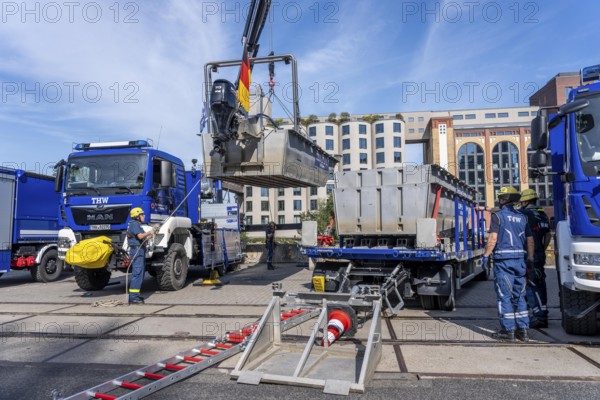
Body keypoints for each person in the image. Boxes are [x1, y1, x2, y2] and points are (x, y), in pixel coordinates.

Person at [481, 187, 534, 342]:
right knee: (520, 295)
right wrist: (530, 259)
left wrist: (485, 255)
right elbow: (530, 241)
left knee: (505, 295)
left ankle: (508, 331)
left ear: (503, 199)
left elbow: (493, 238)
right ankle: (523, 331)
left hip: (504, 262)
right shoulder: (523, 218)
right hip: (520, 262)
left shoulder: (498, 216)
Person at [519, 189, 552, 329]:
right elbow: (548, 235)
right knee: (540, 284)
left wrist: (531, 255)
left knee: (531, 285)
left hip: (529, 255)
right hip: (540, 254)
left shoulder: (524, 214)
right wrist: (542, 249)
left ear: (525, 201)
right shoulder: (543, 214)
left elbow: (525, 236)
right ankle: (542, 312)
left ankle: (539, 316)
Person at [126, 207, 155, 304]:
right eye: (142, 214)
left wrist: (153, 233)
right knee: (137, 274)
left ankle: (135, 295)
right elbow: (140, 236)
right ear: (137, 216)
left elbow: (142, 238)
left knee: (140, 274)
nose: (144, 216)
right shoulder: (134, 224)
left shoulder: (136, 225)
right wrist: (150, 232)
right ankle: (133, 297)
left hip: (139, 251)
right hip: (137, 252)